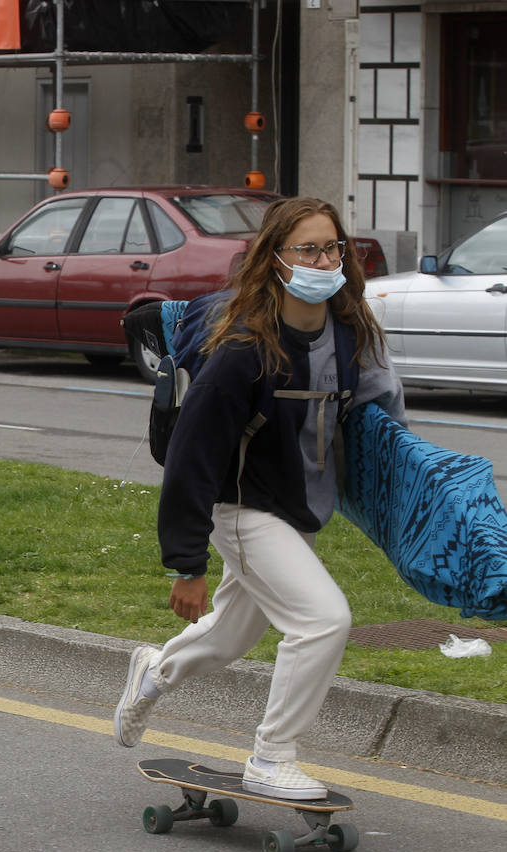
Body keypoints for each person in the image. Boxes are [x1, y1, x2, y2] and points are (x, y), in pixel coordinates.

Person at [113, 196, 405, 799]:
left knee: (228, 638)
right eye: (307, 249)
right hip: (242, 508)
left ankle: (152, 672)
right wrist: (187, 563)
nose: (324, 260)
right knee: (324, 621)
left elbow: (383, 418)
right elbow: (192, 458)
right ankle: (271, 757)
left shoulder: (347, 332)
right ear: (274, 258)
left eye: (332, 248)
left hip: (299, 507)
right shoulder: (244, 349)